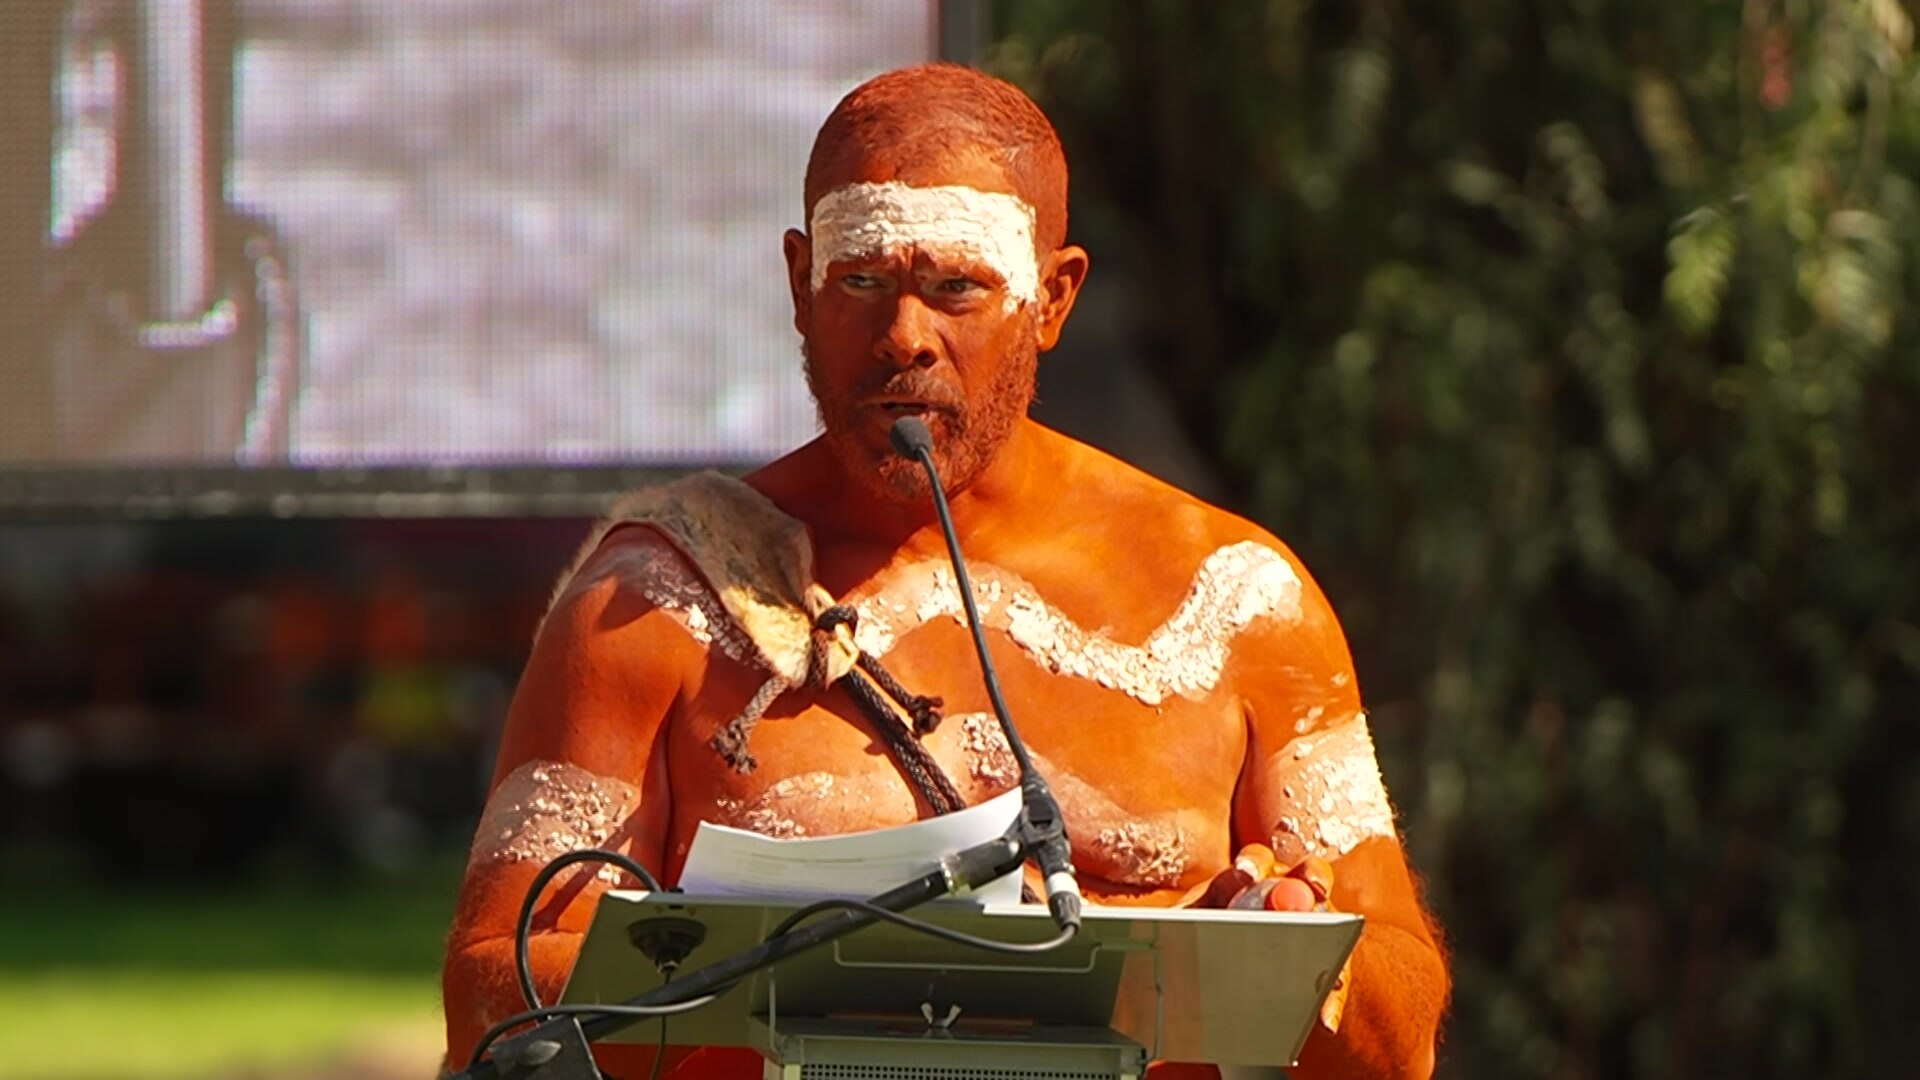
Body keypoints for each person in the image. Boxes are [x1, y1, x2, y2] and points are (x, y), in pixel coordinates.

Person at [441, 63, 1449, 1079]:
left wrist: (1286, 957)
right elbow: (494, 995)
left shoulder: (1233, 601)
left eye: (957, 288)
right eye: (863, 282)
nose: (904, 337)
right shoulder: (656, 599)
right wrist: (805, 974)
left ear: (1052, 298)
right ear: (801, 285)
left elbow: (1399, 1037)